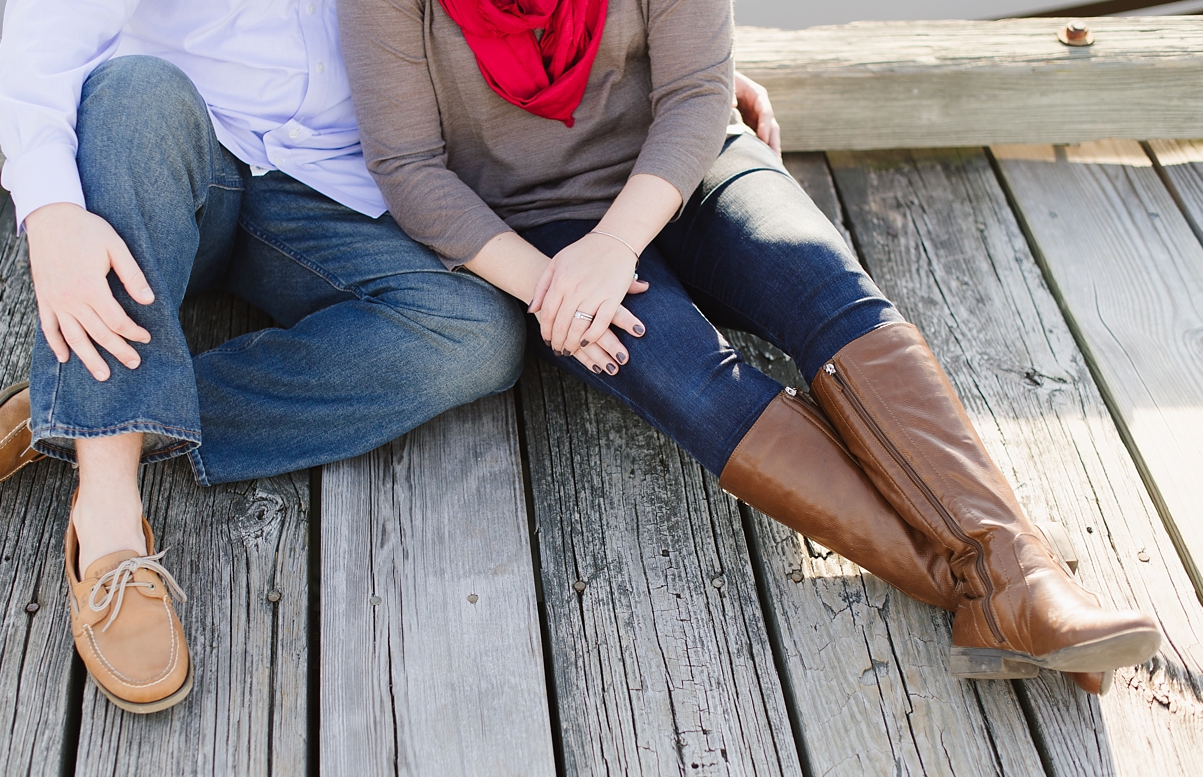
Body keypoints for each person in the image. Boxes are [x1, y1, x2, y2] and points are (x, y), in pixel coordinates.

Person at [336, 0, 1161, 695]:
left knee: (818, 281)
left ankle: (1009, 573)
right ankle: (998, 584)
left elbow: (697, 96)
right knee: (691, 383)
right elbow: (408, 166)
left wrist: (615, 245)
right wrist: (552, 285)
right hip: (538, 231)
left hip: (688, 170)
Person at [0, 0, 531, 714]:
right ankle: (108, 519)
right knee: (134, 89)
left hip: (330, 186)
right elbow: (40, 49)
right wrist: (49, 210)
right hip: (169, 170)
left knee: (477, 335)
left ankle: (91, 408)